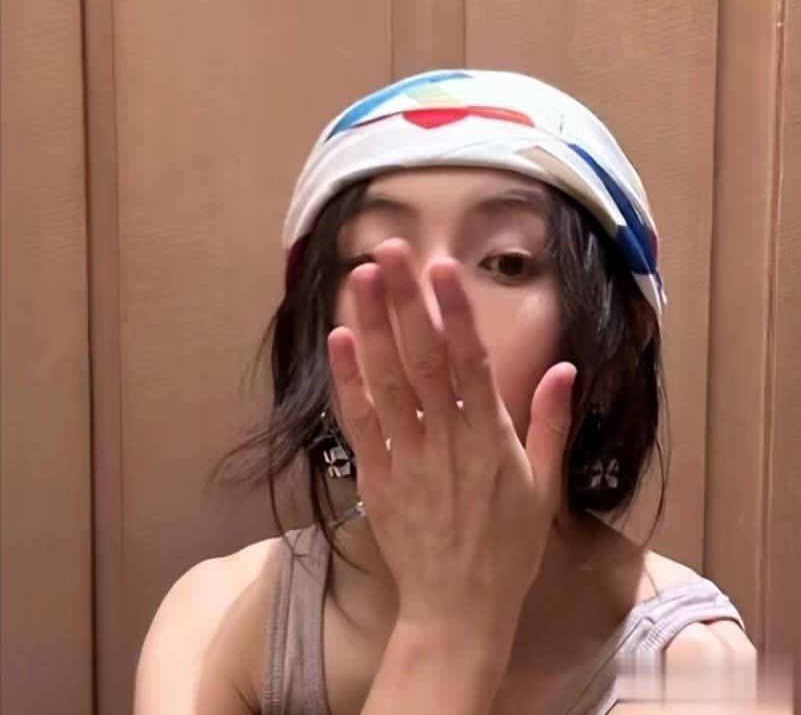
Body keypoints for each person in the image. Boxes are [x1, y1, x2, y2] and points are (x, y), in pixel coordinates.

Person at [134, 70, 757, 715]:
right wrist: (446, 630)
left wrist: (452, 623)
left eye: (506, 263)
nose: (428, 310)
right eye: (373, 262)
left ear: (617, 351)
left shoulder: (698, 668)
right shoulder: (212, 621)